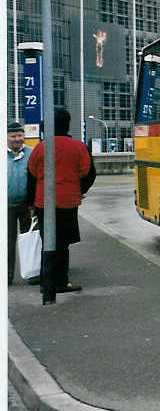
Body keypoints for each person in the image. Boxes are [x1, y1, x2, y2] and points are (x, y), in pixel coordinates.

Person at [26, 108, 94, 293]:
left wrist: (31, 203)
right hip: (68, 201)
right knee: (62, 244)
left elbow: (31, 176)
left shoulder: (40, 147)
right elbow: (88, 172)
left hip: (43, 202)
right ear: (68, 124)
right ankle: (61, 282)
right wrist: (79, 190)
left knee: (47, 241)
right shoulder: (78, 147)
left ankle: (46, 279)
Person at [8, 122, 33, 284]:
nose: (18, 139)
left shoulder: (32, 153)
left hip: (27, 205)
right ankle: (7, 275)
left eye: (20, 135)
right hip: (7, 206)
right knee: (7, 242)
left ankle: (31, 273)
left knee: (29, 241)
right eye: (13, 136)